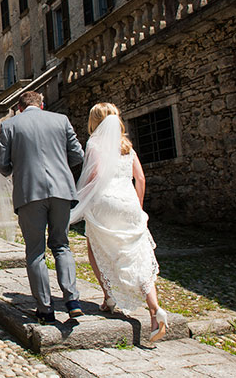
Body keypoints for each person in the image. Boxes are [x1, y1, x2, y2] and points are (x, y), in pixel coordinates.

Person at [70, 103, 168, 342]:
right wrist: (138, 207)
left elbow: (94, 177)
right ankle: (155, 309)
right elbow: (140, 178)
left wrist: (79, 200)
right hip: (129, 202)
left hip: (105, 202)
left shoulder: (94, 144)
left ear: (95, 121)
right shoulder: (127, 146)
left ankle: (108, 297)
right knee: (137, 254)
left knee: (97, 247)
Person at [0, 91, 84, 324]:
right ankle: (72, 300)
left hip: (29, 191)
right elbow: (77, 155)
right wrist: (61, 166)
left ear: (19, 107)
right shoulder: (61, 120)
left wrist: (19, 166)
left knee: (36, 251)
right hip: (62, 190)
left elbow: (1, 164)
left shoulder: (10, 125)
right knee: (62, 245)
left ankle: (45, 308)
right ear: (42, 105)